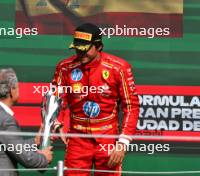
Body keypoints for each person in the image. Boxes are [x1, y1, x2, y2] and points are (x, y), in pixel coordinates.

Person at [52, 23, 140, 176]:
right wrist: (57, 124)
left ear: (98, 46)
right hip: (77, 139)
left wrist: (122, 143)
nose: (80, 53)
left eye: (85, 49)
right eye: (77, 48)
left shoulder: (118, 68)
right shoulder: (65, 67)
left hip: (108, 139)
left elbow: (131, 106)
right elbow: (55, 99)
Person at [0, 68, 52, 176]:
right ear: (12, 90)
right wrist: (43, 158)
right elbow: (26, 158)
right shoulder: (5, 120)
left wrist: (34, 142)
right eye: (17, 87)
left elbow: (1, 148)